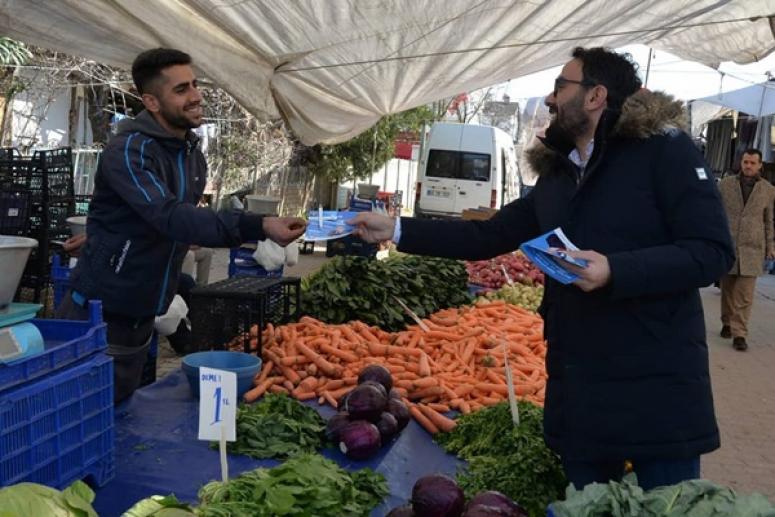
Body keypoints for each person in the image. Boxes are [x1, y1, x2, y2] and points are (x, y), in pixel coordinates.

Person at [350, 47, 734, 491]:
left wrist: (615, 270)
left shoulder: (665, 152)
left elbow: (711, 251)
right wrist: (395, 229)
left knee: (670, 503)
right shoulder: (558, 173)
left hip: (656, 390)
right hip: (582, 394)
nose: (551, 100)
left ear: (595, 96)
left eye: (559, 87)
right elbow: (488, 236)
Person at [56, 48, 306, 402]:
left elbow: (161, 220)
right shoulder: (128, 151)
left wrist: (114, 234)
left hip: (143, 311)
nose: (195, 96)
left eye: (194, 85)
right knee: (83, 420)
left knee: (121, 414)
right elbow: (171, 216)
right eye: (181, 90)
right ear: (152, 102)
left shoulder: (190, 155)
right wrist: (260, 225)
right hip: (99, 314)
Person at [717, 149, 775, 351]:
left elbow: (769, 221)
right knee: (728, 290)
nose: (748, 166)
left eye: (752, 163)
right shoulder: (725, 185)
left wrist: (771, 245)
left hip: (753, 248)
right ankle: (726, 321)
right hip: (729, 245)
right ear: (740, 163)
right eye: (745, 162)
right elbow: (716, 214)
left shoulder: (768, 190)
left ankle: (739, 333)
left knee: (745, 294)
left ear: (760, 165)